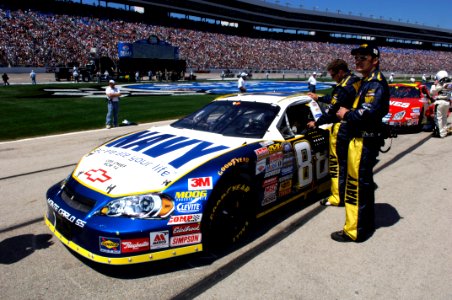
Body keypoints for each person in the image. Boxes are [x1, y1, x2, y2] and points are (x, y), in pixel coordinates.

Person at [334, 43, 390, 242]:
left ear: (375, 61)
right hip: (361, 139)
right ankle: (365, 224)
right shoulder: (366, 80)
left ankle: (354, 231)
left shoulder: (375, 83)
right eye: (356, 58)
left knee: (356, 186)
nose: (357, 61)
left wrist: (346, 113)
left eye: (363, 58)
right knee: (363, 185)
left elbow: (367, 112)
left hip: (364, 140)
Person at [307, 59, 361, 207]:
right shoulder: (355, 80)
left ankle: (337, 197)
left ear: (341, 72)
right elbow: (337, 101)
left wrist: (316, 123)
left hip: (342, 128)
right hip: (354, 125)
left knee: (337, 163)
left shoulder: (343, 87)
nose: (332, 78)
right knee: (349, 163)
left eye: (333, 75)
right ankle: (347, 193)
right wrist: (319, 98)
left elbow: (332, 111)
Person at [430, 70, 451, 138]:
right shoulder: (449, 84)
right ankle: (444, 132)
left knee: (438, 118)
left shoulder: (440, 85)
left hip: (440, 102)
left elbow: (432, 92)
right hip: (447, 102)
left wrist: (434, 84)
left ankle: (440, 133)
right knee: (444, 118)